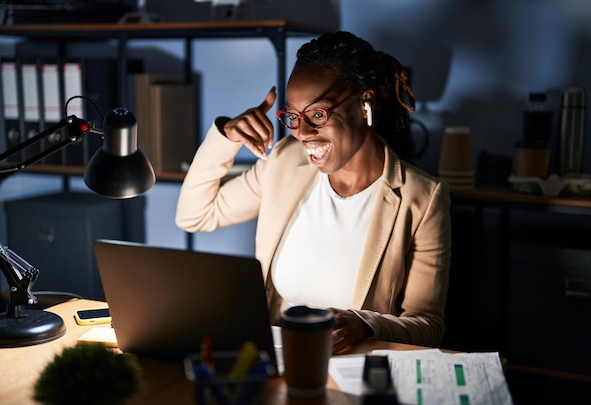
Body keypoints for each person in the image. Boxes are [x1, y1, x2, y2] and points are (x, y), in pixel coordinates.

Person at [175, 31, 451, 354]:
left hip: (351, 375)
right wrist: (227, 137)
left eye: (318, 114)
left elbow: (428, 326)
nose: (303, 133)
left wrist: (365, 324)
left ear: (366, 103)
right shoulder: (285, 161)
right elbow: (194, 214)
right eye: (292, 116)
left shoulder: (422, 198)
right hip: (277, 365)